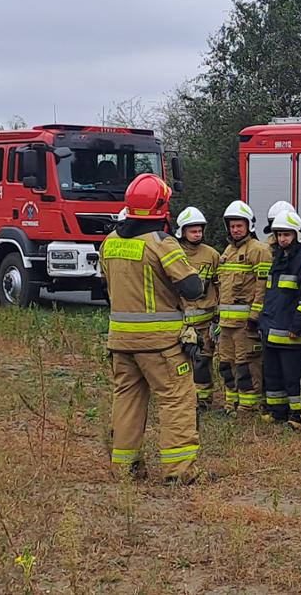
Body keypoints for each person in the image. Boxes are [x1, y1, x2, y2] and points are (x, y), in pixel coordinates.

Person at [101, 174, 208, 483]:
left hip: (121, 341)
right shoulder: (161, 243)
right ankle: (180, 472)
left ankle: (125, 468)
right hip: (160, 344)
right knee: (176, 401)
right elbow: (192, 287)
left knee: (127, 400)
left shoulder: (110, 242)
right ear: (162, 206)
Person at [259, 207, 301, 427]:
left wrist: (298, 324)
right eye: (279, 235)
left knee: (294, 376)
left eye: (287, 234)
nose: (282, 239)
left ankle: (298, 415)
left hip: (291, 331)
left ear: (296, 235)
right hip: (272, 328)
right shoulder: (276, 258)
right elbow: (271, 295)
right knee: (273, 375)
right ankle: (277, 411)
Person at [215, 201, 271, 414]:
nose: (235, 230)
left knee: (246, 365)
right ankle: (231, 404)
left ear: (249, 226)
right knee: (227, 365)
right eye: (232, 226)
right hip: (226, 323)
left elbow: (262, 285)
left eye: (239, 225)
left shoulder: (259, 250)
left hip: (245, 324)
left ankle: (248, 407)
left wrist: (255, 316)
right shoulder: (228, 251)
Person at [173, 206, 222, 411]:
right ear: (182, 232)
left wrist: (218, 315)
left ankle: (203, 400)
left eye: (200, 230)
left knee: (203, 360)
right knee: (179, 361)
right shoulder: (173, 253)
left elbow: (219, 284)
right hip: (179, 321)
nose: (197, 234)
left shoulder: (211, 254)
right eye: (192, 230)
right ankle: (182, 398)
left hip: (204, 321)